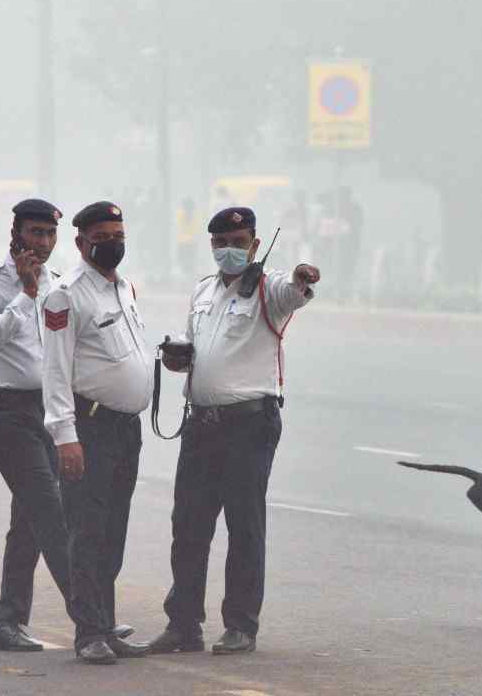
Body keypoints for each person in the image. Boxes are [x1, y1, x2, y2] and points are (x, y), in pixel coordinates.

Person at [149, 206, 320, 656]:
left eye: (239, 242)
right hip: (201, 424)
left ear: (256, 245)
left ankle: (241, 625)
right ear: (211, 245)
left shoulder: (269, 289)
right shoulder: (203, 291)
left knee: (244, 526)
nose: (229, 250)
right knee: (188, 527)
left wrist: (303, 276)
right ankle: (183, 625)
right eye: (221, 243)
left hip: (249, 424)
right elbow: (195, 347)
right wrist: (178, 359)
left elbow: (295, 290)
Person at [0, 198, 105, 654]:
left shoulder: (59, 284)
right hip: (8, 416)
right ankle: (91, 621)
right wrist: (23, 295)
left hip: (51, 414)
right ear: (16, 233)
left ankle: (6, 622)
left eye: (48, 235)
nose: (42, 243)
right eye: (34, 233)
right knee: (52, 516)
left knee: (28, 523)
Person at [42, 201, 155, 664]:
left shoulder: (123, 287)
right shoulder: (66, 295)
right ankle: (88, 632)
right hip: (89, 429)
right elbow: (54, 369)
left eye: (118, 234)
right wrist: (65, 435)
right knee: (87, 531)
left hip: (125, 429)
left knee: (113, 532)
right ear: (81, 242)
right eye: (103, 236)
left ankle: (106, 624)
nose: (113, 243)